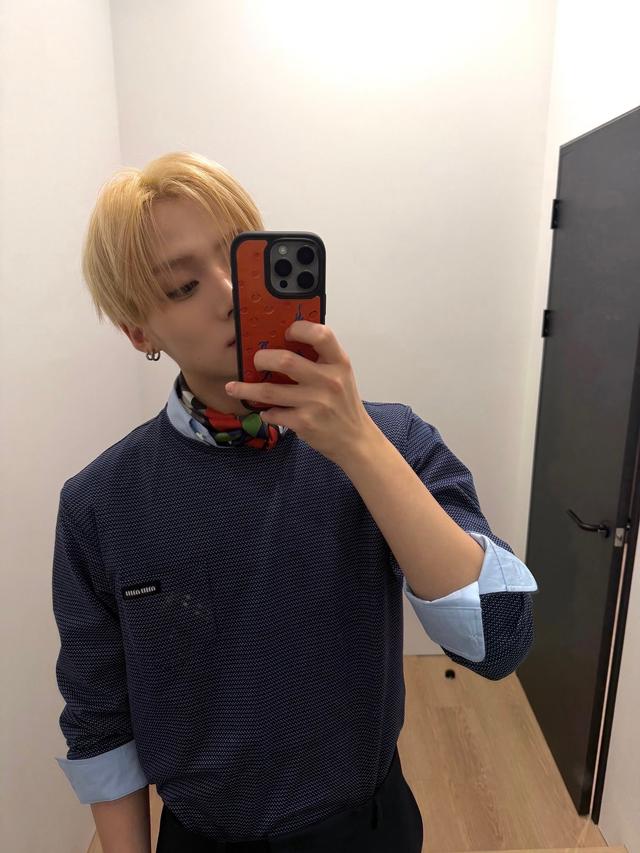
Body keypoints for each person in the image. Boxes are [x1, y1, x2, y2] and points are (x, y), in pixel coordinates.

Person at [51, 150, 538, 853]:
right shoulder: (100, 503)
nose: (227, 294)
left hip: (366, 829)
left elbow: (499, 642)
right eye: (183, 285)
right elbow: (100, 716)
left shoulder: (393, 441)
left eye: (240, 260)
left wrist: (358, 445)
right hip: (202, 839)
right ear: (139, 332)